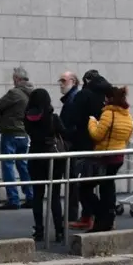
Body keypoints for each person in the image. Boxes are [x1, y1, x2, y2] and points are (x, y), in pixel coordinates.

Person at [65, 70, 111, 231]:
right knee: (103, 185)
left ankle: (98, 217)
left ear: (86, 80)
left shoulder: (84, 95)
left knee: (84, 185)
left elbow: (73, 119)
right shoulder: (108, 95)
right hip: (105, 146)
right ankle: (100, 217)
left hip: (85, 144)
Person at [87, 86, 133, 233]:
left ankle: (103, 217)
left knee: (86, 188)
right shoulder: (127, 116)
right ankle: (108, 217)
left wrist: (92, 121)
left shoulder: (108, 114)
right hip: (118, 156)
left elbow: (96, 135)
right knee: (108, 186)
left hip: (105, 156)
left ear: (110, 99)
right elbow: (128, 136)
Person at [24, 89, 67, 242]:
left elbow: (29, 132)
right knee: (54, 196)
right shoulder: (53, 118)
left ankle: (39, 230)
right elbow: (64, 132)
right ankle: (59, 231)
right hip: (53, 158)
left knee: (37, 195)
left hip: (35, 156)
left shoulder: (28, 117)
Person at [0, 67, 34, 210]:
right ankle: (30, 196)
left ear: (17, 79)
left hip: (10, 133)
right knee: (23, 166)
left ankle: (13, 199)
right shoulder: (32, 93)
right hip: (24, 133)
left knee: (8, 166)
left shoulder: (14, 93)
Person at [58, 71, 82, 223]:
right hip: (72, 144)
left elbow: (72, 124)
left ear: (73, 81)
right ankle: (71, 213)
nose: (60, 84)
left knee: (72, 181)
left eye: (63, 80)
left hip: (72, 145)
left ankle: (71, 214)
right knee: (72, 181)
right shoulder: (71, 98)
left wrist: (64, 132)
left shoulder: (72, 99)